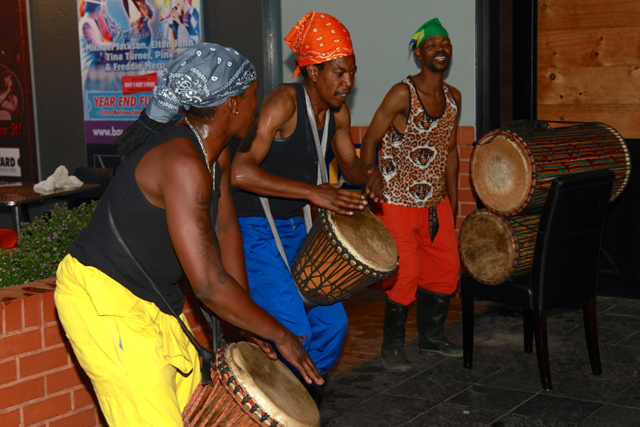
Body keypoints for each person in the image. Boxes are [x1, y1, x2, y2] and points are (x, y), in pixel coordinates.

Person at [55, 42, 323, 426]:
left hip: (153, 299)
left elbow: (226, 231)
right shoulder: (182, 163)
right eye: (253, 94)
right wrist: (280, 333)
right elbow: (208, 286)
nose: (258, 104)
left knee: (192, 411)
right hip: (103, 298)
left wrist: (242, 322)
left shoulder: (215, 154)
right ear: (233, 103)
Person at [231, 11, 382, 403]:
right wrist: (313, 192)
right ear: (313, 71)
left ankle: (301, 400)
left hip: (297, 228)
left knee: (332, 325)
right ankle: (278, 408)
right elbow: (240, 172)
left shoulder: (338, 112)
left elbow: (349, 164)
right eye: (339, 72)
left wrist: (370, 174)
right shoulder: (283, 103)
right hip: (256, 228)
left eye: (352, 72)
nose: (348, 83)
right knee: (294, 330)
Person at [360, 18, 463, 373]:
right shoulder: (402, 93)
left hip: (435, 203)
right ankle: (392, 347)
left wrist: (453, 201)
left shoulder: (454, 98)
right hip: (397, 203)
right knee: (404, 276)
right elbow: (369, 140)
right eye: (432, 45)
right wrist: (371, 177)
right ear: (419, 54)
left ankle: (432, 338)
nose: (440, 49)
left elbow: (450, 151)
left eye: (445, 44)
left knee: (446, 269)